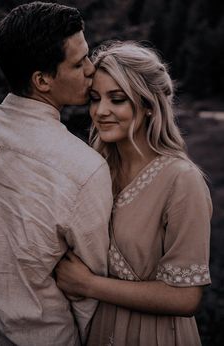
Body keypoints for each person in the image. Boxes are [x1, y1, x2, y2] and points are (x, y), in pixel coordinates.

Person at [56, 41, 212, 346]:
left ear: (149, 105)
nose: (101, 111)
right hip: (98, 332)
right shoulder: (93, 169)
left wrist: (88, 285)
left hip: (155, 336)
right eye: (95, 98)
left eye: (117, 99)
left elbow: (186, 298)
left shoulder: (182, 180)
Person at [0, 2, 113, 346]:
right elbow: (89, 295)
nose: (92, 69)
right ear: (42, 80)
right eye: (78, 63)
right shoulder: (83, 168)